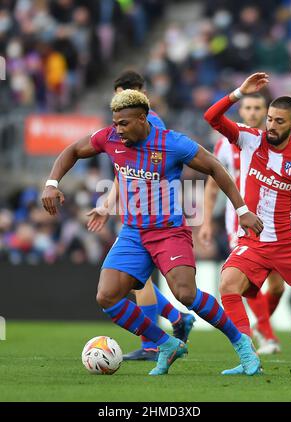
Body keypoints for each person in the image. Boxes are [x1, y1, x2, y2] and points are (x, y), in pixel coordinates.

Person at [42, 89, 263, 376]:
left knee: (186, 294)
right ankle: (166, 344)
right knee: (107, 296)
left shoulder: (171, 143)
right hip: (134, 232)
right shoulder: (109, 138)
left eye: (124, 123)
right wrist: (51, 182)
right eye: (115, 122)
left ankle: (243, 346)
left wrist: (242, 209)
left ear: (143, 119)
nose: (118, 129)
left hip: (168, 232)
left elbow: (215, 167)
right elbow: (72, 150)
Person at [204, 72, 291, 375]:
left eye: (279, 121)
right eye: (269, 119)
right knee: (228, 284)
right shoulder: (249, 139)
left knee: (275, 290)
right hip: (255, 240)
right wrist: (238, 93)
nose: (270, 125)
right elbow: (211, 117)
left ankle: (264, 332)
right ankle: (249, 358)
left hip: (290, 239)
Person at [110, 70, 196, 361]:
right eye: (117, 93)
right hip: (134, 216)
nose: (119, 99)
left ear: (141, 94)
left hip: (155, 220)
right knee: (133, 283)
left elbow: (155, 170)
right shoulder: (123, 124)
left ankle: (152, 344)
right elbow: (123, 171)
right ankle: (177, 319)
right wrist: (109, 201)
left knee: (138, 282)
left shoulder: (149, 123)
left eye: (125, 93)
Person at [199, 93, 284, 354]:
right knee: (249, 277)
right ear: (242, 111)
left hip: (276, 223)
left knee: (278, 286)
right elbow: (213, 183)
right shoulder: (228, 143)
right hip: (240, 222)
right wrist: (205, 221)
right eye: (248, 107)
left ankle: (260, 324)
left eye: (258, 108)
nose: (252, 112)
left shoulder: (278, 144)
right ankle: (266, 336)